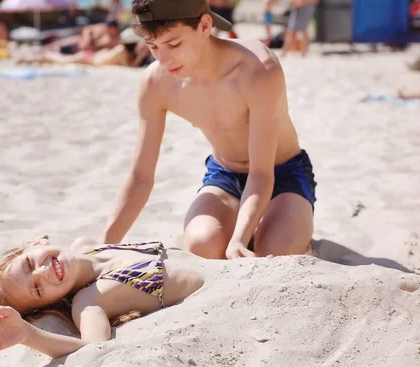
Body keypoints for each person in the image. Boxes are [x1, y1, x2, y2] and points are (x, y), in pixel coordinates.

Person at [101, 0, 317, 260]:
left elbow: (261, 173)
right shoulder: (156, 82)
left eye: (173, 44)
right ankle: (254, 224)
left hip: (282, 173)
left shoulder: (257, 70)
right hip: (225, 175)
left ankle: (291, 230)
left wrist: (239, 238)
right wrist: (103, 248)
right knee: (203, 246)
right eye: (153, 46)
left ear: (204, 25)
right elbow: (140, 177)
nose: (163, 59)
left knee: (275, 251)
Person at [0, 235, 206, 358]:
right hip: (212, 290)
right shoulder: (88, 301)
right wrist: (28, 334)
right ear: (51, 302)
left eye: (29, 263)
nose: (42, 272)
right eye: (37, 289)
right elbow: (93, 347)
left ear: (34, 243)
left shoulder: (86, 245)